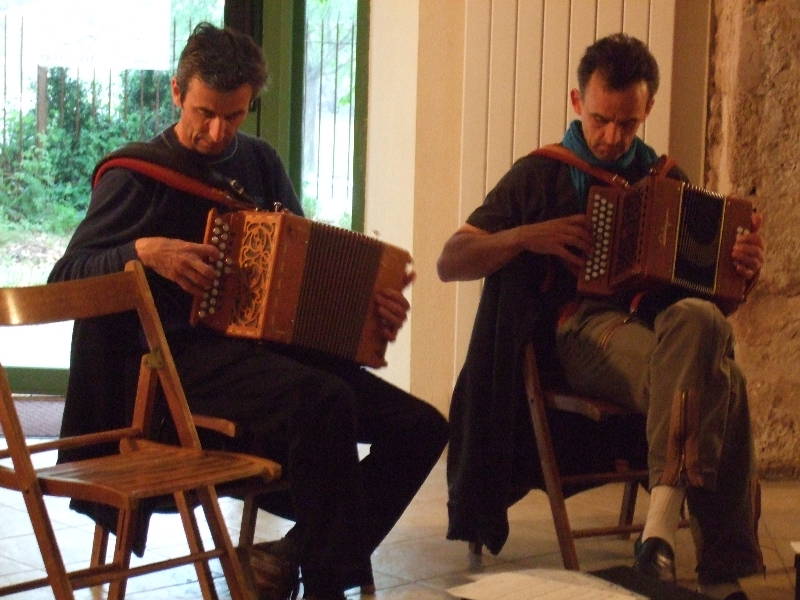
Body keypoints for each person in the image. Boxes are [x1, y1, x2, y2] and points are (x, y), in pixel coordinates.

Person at [49, 22, 448, 600]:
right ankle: (328, 586)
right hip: (174, 368)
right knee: (322, 401)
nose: (216, 131)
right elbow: (66, 276)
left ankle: (292, 553)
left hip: (262, 358)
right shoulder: (137, 176)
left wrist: (365, 307)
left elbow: (305, 266)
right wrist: (143, 252)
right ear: (176, 93)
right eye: (205, 113)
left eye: (233, 116)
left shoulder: (259, 162)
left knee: (422, 427)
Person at [438, 33, 764, 600]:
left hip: (663, 331)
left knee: (706, 329)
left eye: (628, 124)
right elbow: (451, 260)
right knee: (724, 382)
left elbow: (716, 300)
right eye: (600, 121)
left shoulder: (666, 179)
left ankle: (656, 537)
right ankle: (719, 569)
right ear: (576, 102)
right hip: (579, 333)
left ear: (648, 111)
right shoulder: (538, 175)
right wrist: (525, 237)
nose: (613, 138)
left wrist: (743, 271)